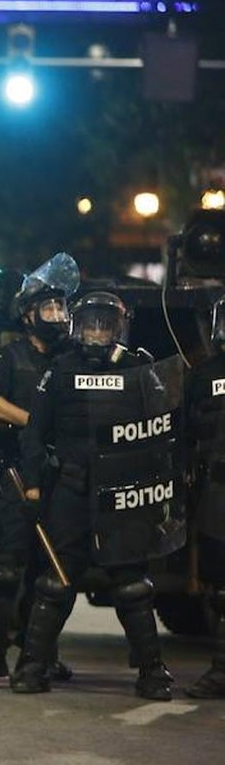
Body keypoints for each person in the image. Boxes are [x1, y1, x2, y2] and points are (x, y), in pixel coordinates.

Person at [11, 291, 180, 700]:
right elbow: (35, 433)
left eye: (106, 325)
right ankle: (33, 667)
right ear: (78, 326)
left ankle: (153, 672)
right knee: (56, 581)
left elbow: (163, 433)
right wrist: (33, 485)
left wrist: (160, 490)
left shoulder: (140, 368)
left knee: (132, 585)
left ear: (117, 327)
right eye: (91, 324)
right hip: (71, 487)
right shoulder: (62, 368)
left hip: (122, 494)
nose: (98, 332)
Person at [0, 253, 78, 679]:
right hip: (14, 474)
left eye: (60, 307)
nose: (56, 316)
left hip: (58, 476)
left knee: (50, 571)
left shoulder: (71, 357)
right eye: (48, 309)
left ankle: (40, 656)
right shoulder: (10, 356)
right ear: (28, 315)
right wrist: (32, 423)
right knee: (4, 569)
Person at [186, 293, 225, 699]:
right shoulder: (203, 373)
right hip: (218, 490)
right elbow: (186, 430)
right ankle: (221, 671)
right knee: (220, 587)